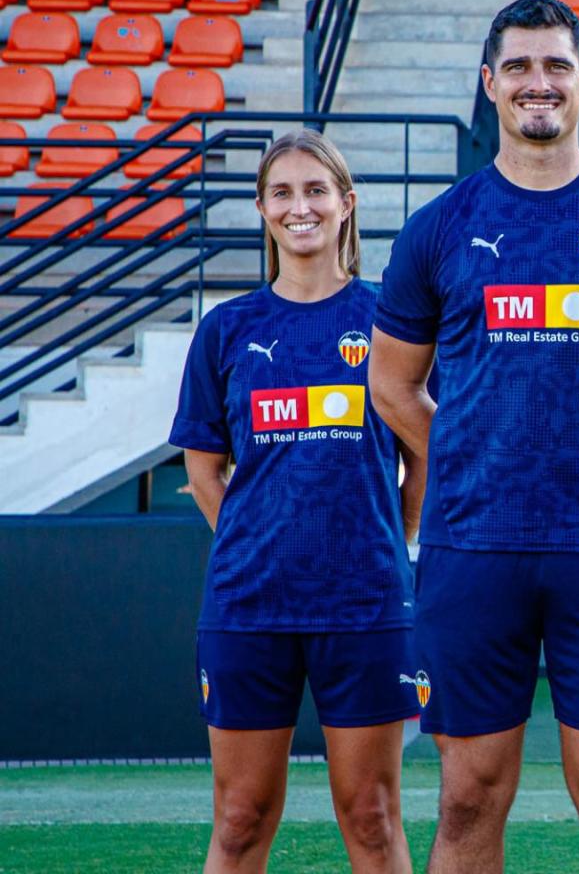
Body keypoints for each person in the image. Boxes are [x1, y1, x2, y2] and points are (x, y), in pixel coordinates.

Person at [367, 0, 579, 873]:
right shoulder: (440, 227)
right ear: (488, 84)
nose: (536, 83)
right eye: (517, 67)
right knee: (467, 803)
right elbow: (391, 385)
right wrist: (472, 452)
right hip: (475, 550)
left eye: (554, 66)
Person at [172, 129, 421, 874]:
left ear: (346, 205)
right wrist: (258, 539)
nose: (299, 206)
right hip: (250, 606)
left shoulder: (391, 322)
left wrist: (394, 538)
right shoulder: (226, 330)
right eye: (282, 192)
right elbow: (205, 470)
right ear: (261, 209)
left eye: (316, 190)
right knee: (242, 820)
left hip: (366, 603)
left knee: (372, 818)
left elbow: (425, 454)